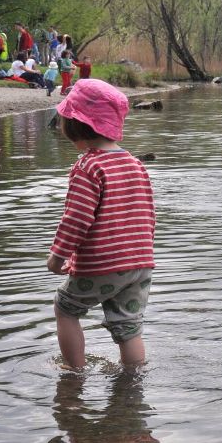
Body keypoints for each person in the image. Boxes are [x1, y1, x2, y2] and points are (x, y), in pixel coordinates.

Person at [47, 79, 156, 369]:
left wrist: (58, 255)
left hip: (103, 264)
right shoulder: (135, 163)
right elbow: (147, 214)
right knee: (128, 327)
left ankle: (74, 372)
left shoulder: (88, 167)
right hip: (140, 263)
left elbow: (77, 218)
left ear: (75, 125)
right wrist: (140, 254)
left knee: (66, 307)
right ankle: (132, 384)